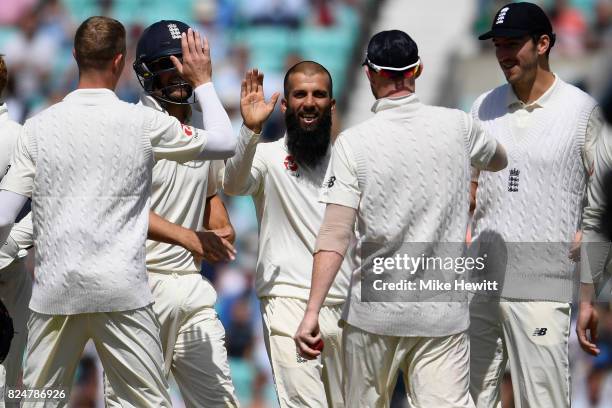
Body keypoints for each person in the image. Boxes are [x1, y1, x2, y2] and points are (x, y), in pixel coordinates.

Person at [0, 16, 235, 407]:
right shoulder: (140, 122)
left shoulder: (38, 127)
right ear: (119, 61)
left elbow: (5, 216)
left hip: (57, 292)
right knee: (143, 402)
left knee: (43, 400)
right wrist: (205, 81)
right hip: (122, 291)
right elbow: (224, 141)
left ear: (75, 55)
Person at [294, 29, 506, 407]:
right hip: (441, 314)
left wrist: (312, 311)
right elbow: (499, 158)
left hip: (374, 313)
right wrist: (469, 178)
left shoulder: (354, 143)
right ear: (418, 70)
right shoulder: (459, 126)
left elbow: (335, 233)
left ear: (371, 74)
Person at [469, 3, 604, 407]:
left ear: (543, 43)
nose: (504, 54)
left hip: (545, 285)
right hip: (483, 281)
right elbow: (469, 189)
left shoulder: (582, 112)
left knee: (542, 400)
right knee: (472, 399)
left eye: (513, 44)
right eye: (498, 45)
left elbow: (598, 210)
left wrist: (587, 298)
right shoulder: (482, 107)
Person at [103, 20, 239, 407]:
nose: (182, 72)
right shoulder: (131, 128)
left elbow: (210, 191)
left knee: (220, 402)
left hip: (190, 289)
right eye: (169, 63)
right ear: (147, 71)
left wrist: (221, 226)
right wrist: (189, 237)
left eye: (187, 61)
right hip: (136, 291)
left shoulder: (202, 124)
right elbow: (123, 210)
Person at [223, 62, 354, 407]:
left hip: (346, 308)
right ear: (284, 105)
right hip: (285, 303)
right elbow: (233, 184)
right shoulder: (267, 156)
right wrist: (250, 130)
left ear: (332, 104)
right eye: (299, 94)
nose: (309, 102)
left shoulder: (351, 163)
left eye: (318, 95)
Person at [0, 54, 34, 408]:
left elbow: (45, 204)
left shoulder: (22, 136)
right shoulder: (22, 136)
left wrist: (8, 248)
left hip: (9, 274)